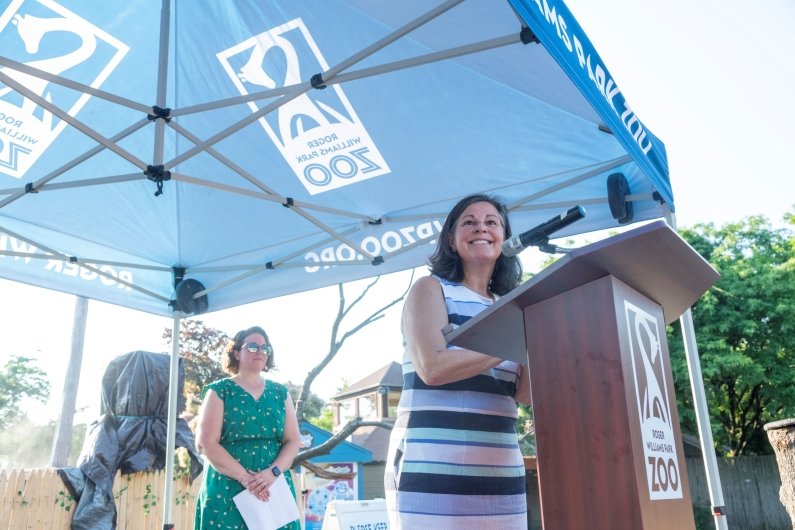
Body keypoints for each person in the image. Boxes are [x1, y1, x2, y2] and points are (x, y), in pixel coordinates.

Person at [385, 193, 532, 529]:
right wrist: (516, 337)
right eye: (469, 222)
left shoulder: (513, 307)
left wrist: (541, 340)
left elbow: (524, 395)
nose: (481, 228)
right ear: (451, 240)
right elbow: (432, 368)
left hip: (499, 468)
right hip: (432, 467)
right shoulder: (430, 289)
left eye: (491, 222)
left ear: (505, 238)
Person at [194, 326, 301, 530]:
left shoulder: (280, 393)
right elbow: (205, 442)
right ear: (236, 352)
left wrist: (272, 473)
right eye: (252, 346)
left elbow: (294, 440)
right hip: (227, 488)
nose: (260, 351)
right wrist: (246, 478)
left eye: (265, 348)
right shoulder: (219, 391)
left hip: (273, 488)